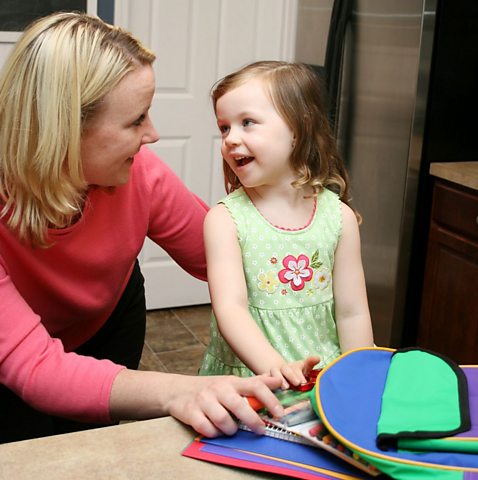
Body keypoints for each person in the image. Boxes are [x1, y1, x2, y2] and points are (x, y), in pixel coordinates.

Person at [0, 13, 284, 444]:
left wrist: (310, 237)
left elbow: (225, 258)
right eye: (136, 120)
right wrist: (183, 390)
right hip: (17, 359)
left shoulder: (141, 174)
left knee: (88, 445)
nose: (152, 134)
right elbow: (34, 366)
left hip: (106, 324)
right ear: (64, 130)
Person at [199, 61, 374, 388]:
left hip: (325, 376)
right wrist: (277, 369)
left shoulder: (339, 219)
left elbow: (352, 313)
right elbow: (231, 311)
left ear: (297, 129)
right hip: (253, 379)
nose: (230, 139)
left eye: (247, 122)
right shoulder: (225, 220)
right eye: (224, 127)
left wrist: (359, 374)